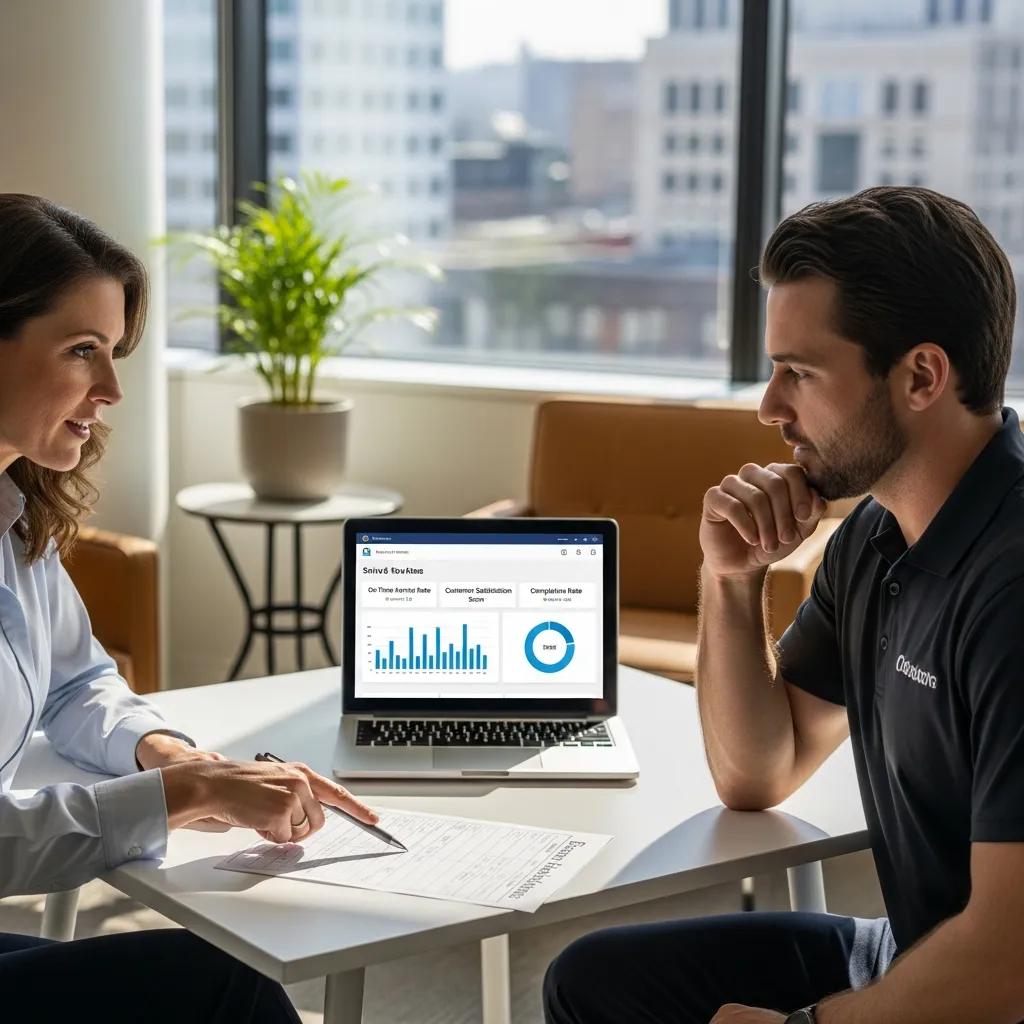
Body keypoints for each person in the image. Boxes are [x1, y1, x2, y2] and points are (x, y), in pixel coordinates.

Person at [543, 185, 1024, 1024]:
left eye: (799, 373)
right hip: (914, 949)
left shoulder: (1011, 591)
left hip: (990, 984)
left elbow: (1009, 960)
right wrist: (732, 580)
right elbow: (757, 772)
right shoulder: (874, 539)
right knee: (592, 984)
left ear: (921, 376)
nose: (770, 408)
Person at [0, 193, 382, 1022]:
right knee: (224, 988)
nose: (110, 389)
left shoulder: (13, 521)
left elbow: (74, 685)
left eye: (115, 355)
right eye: (82, 350)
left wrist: (170, 757)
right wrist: (185, 795)